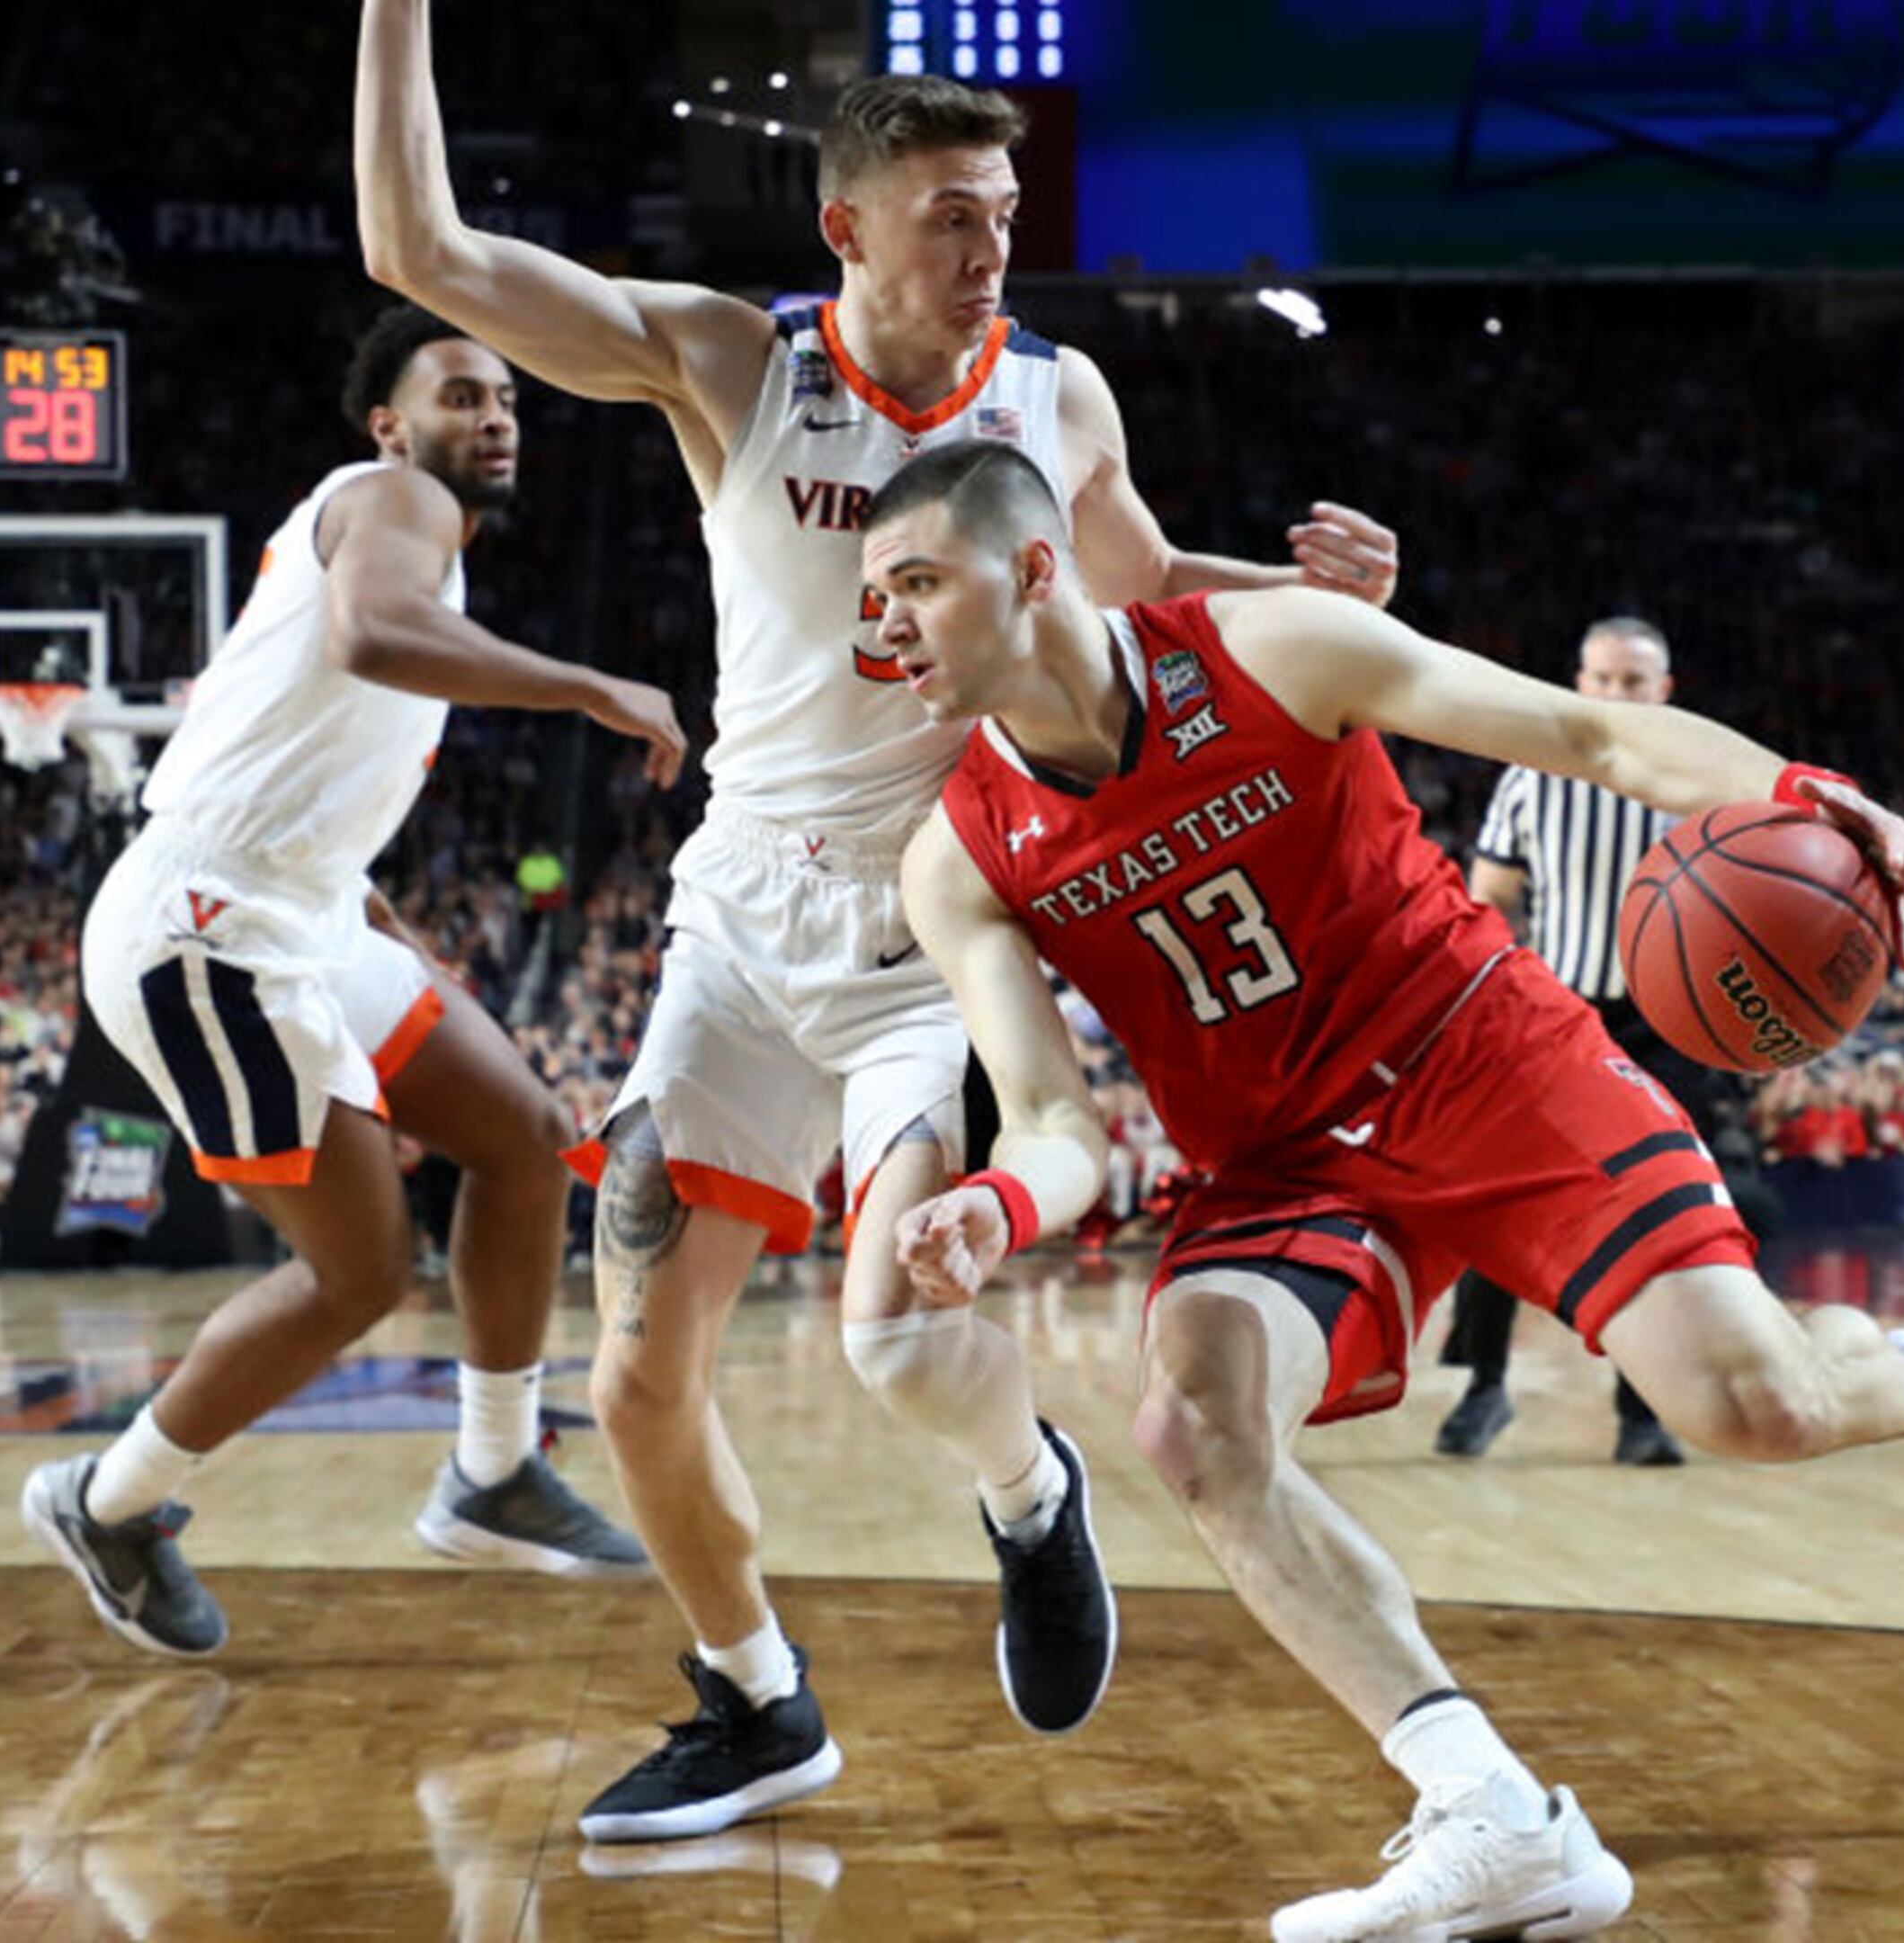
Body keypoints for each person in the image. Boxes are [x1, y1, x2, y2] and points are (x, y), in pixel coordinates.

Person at [357, 7, 1407, 1840]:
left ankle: (1028, 1493)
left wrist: (1314, 594)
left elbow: (1140, 578)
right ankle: (755, 1700)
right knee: (635, 1377)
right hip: (744, 912)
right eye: (947, 213)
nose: (989, 242)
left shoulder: (1059, 391)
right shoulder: (733, 365)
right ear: (845, 231)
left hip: (947, 920)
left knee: (899, 1341)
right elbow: (422, 254)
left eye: (1002, 207)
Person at [863, 443, 1904, 1942]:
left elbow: (1583, 736)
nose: (887, 629)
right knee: (1191, 1416)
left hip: (1484, 1053)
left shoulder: (1280, 645)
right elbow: (1053, 1121)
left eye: (917, 586)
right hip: (1286, 1158)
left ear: (1029, 572)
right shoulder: (955, 857)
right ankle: (1492, 1810)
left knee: (1757, 1410)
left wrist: (1801, 788)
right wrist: (1003, 1209)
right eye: (875, 596)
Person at [22, 306, 686, 1658]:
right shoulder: (392, 502)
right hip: (207, 926)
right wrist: (589, 687)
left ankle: (493, 1471)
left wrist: (376, 915)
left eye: (507, 396)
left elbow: (306, 736)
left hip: (306, 911)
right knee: (359, 1274)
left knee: (520, 1139)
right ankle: (109, 1499)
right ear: (391, 424)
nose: (495, 413)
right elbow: (373, 636)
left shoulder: (418, 550)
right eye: (460, 393)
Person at [1431, 616, 1690, 1466]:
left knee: (1663, 1215)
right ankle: (1484, 1385)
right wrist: (1511, 994)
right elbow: (1492, 896)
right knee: (1503, 1197)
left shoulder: (1696, 784)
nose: (1618, 694)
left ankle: (1643, 1409)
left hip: (1669, 1024)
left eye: (1636, 680)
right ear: (1579, 684)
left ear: (1665, 690)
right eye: (1605, 679)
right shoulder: (1531, 778)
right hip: (1557, 1012)